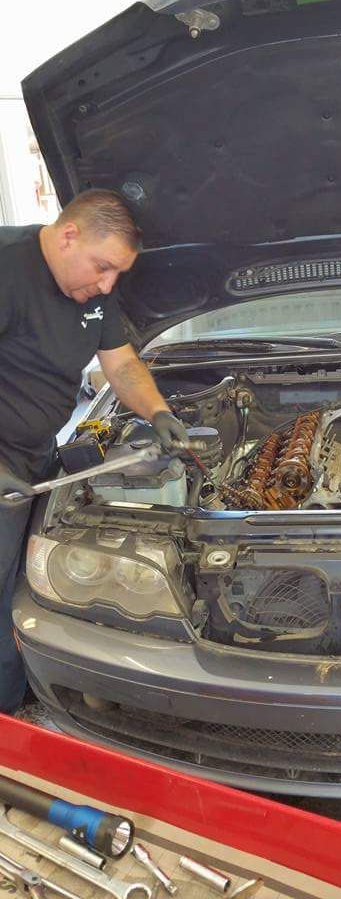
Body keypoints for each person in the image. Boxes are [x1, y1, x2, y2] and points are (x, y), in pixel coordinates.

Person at [0, 189, 189, 713]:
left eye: (116, 276)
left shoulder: (94, 293)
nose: (107, 285)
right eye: (102, 267)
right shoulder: (7, 269)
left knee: (24, 584)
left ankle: (19, 695)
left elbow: (123, 365)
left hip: (36, 454)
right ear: (68, 235)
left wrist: (159, 414)